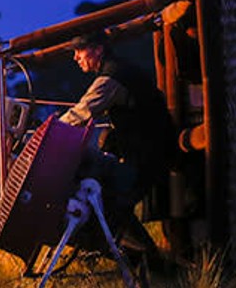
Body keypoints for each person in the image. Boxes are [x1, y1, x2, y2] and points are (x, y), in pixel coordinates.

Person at [60, 31, 178, 271]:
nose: (76, 58)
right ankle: (148, 263)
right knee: (113, 204)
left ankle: (154, 266)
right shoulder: (121, 71)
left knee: (110, 205)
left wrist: (48, 132)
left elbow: (80, 114)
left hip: (147, 155)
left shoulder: (110, 79)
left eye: (79, 51)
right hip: (151, 151)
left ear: (98, 50)